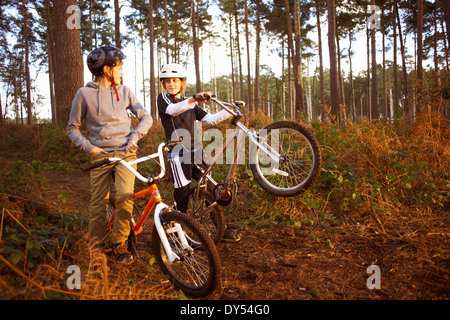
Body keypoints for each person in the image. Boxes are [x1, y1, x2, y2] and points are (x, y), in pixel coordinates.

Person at [67, 46, 152, 265]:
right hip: (100, 156)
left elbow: (146, 117)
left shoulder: (125, 91)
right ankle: (95, 246)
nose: (122, 71)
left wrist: (135, 137)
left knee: (125, 197)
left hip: (125, 154)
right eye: (119, 67)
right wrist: (89, 148)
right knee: (98, 203)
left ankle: (119, 242)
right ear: (107, 69)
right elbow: (72, 128)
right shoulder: (83, 94)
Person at [157, 63, 240, 242]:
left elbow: (210, 119)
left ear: (182, 83)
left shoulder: (191, 103)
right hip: (178, 154)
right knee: (182, 192)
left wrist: (230, 109)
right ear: (163, 84)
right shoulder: (164, 99)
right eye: (168, 81)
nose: (171, 84)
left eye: (175, 80)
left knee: (211, 190)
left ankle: (221, 228)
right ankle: (177, 234)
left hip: (196, 152)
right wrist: (194, 99)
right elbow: (173, 110)